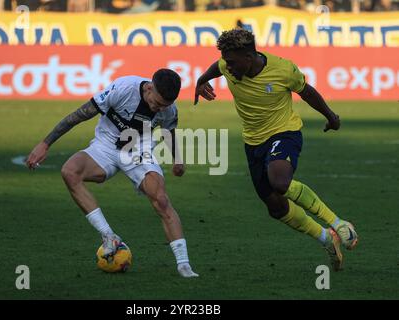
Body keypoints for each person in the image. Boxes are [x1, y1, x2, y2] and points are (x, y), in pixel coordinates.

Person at [194, 29, 358, 271]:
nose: (228, 67)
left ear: (249, 57)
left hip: (284, 132)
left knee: (279, 182)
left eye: (232, 62)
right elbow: (216, 67)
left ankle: (338, 223)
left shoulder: (283, 70)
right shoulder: (228, 65)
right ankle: (326, 238)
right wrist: (201, 80)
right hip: (253, 141)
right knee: (276, 207)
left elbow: (307, 92)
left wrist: (331, 117)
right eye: (226, 62)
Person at [26, 69, 198, 278]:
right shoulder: (123, 88)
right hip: (105, 146)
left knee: (161, 199)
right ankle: (109, 236)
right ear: (150, 87)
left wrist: (177, 160)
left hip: (137, 150)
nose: (159, 108)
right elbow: (79, 115)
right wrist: (45, 143)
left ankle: (183, 265)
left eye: (164, 105)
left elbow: (168, 131)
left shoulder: (169, 109)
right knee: (70, 171)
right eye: (157, 102)